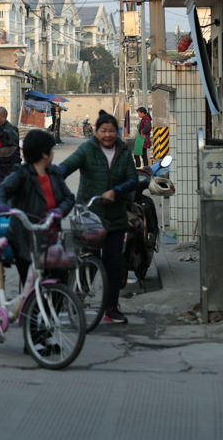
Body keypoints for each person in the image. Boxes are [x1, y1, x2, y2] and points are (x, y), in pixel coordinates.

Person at [57, 110, 139, 324]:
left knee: (113, 264)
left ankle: (111, 307)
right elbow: (67, 166)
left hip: (116, 217)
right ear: (96, 131)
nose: (108, 135)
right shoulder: (87, 149)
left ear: (117, 132)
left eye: (112, 131)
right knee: (88, 260)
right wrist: (51, 178)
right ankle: (77, 298)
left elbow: (132, 179)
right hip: (90, 217)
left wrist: (116, 192)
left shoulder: (123, 151)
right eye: (103, 131)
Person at [0, 129, 74, 288]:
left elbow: (68, 198)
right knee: (33, 290)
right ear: (44, 154)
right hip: (25, 238)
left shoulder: (54, 173)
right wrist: (1, 205)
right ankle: (29, 312)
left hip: (51, 238)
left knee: (58, 285)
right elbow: (2, 190)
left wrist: (60, 210)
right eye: (50, 151)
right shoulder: (22, 174)